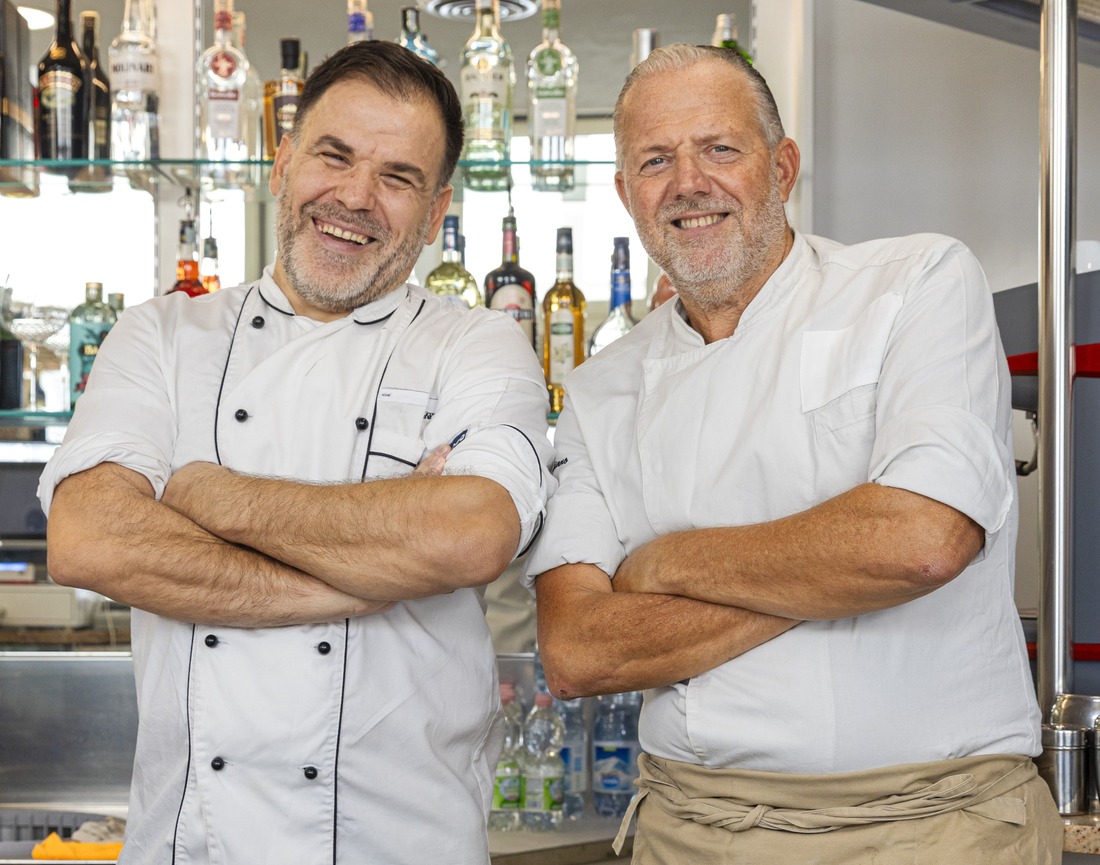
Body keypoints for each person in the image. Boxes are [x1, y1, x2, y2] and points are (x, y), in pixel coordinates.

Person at [526, 44, 1063, 864]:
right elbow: (578, 650)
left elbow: (922, 541)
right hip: (691, 831)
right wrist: (841, 572)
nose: (689, 183)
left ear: (782, 168)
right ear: (627, 194)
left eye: (721, 149)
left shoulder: (914, 283)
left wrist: (665, 561)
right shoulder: (601, 390)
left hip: (932, 827)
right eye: (655, 160)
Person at [40, 41, 554, 865]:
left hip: (401, 844)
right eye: (333, 155)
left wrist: (207, 494)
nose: (354, 197)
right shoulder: (163, 335)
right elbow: (89, 538)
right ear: (283, 162)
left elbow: (469, 535)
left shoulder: (480, 344)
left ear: (436, 210)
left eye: (397, 177)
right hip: (192, 845)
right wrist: (367, 572)